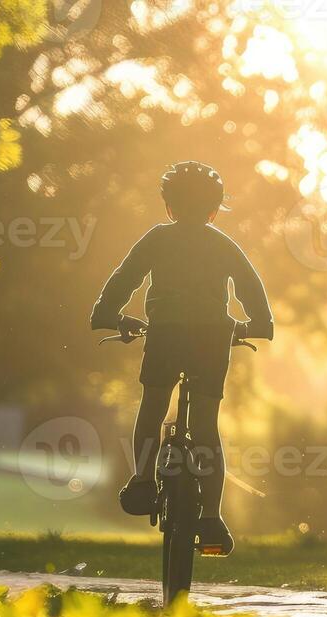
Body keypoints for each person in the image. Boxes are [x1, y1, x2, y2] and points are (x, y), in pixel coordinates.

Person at [90, 161, 274, 557]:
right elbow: (250, 284)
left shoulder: (157, 238)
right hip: (211, 337)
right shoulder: (222, 243)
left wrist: (107, 314)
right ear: (214, 209)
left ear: (169, 206)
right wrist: (258, 323)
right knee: (206, 426)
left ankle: (141, 479)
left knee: (154, 406)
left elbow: (126, 277)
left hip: (166, 334)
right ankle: (210, 516)